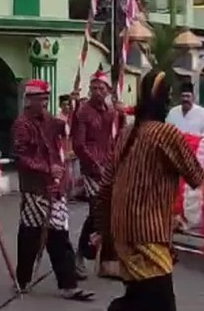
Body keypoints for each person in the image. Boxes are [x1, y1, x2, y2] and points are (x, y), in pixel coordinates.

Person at [91, 70, 204, 311]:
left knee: (139, 297)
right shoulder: (165, 133)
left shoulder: (126, 132)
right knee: (160, 304)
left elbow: (106, 185)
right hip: (147, 235)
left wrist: (103, 229)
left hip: (122, 231)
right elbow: (196, 176)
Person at [12, 79, 95, 301]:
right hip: (34, 189)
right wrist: (48, 168)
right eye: (41, 99)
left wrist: (76, 107)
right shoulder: (22, 124)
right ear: (29, 100)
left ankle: (68, 285)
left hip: (54, 189)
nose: (45, 103)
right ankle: (23, 279)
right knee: (30, 236)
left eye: (47, 99)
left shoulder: (49, 121)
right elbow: (21, 157)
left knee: (59, 235)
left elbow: (70, 128)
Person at [70, 70, 125, 278]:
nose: (97, 92)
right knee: (97, 211)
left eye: (101, 88)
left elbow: (120, 137)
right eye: (93, 88)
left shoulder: (112, 112)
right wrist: (95, 166)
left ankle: (105, 259)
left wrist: (122, 115)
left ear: (109, 91)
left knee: (109, 214)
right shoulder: (84, 112)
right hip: (93, 170)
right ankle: (81, 254)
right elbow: (79, 144)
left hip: (109, 166)